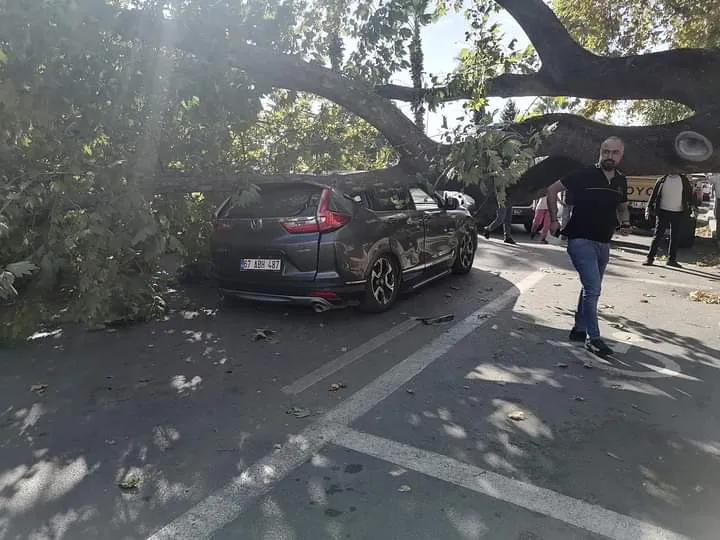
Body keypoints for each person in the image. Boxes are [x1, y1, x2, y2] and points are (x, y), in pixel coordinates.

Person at [545, 136, 630, 357]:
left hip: (604, 242)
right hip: (580, 240)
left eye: (614, 153)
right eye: (605, 151)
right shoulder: (584, 174)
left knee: (589, 289)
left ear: (621, 155)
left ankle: (579, 329)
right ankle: (594, 339)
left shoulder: (621, 180)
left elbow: (622, 207)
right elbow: (552, 190)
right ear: (600, 152)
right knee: (593, 289)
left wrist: (626, 223)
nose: (609, 156)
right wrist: (554, 220)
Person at [642, 173, 695, 268]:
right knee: (657, 235)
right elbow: (653, 195)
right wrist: (648, 208)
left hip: (678, 212)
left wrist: (692, 205)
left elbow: (689, 194)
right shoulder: (661, 180)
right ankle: (650, 258)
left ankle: (671, 260)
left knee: (675, 237)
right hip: (663, 211)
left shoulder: (683, 180)